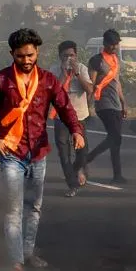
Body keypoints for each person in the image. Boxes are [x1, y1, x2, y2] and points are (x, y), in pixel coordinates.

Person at [0, 28, 84, 271]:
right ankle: (15, 262)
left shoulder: (48, 81)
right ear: (12, 54)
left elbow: (65, 107)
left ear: (37, 52)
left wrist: (76, 131)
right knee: (14, 210)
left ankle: (28, 254)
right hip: (11, 154)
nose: (26, 60)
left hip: (38, 153)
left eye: (30, 55)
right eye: (20, 56)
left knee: (34, 208)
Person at [51, 40, 94, 197]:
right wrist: (64, 74)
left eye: (72, 55)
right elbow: (54, 92)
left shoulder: (81, 68)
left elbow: (90, 90)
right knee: (64, 153)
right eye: (65, 56)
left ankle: (75, 170)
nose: (69, 59)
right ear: (60, 57)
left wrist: (76, 74)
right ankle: (72, 185)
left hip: (79, 116)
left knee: (82, 152)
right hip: (61, 117)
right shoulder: (54, 70)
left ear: (76, 55)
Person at [85, 29, 127, 185]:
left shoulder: (116, 60)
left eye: (116, 44)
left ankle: (117, 175)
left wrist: (123, 103)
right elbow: (91, 84)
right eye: (111, 45)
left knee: (116, 141)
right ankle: (88, 158)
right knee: (115, 137)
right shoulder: (97, 60)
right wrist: (88, 106)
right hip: (103, 103)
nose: (114, 47)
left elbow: (117, 83)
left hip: (116, 103)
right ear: (105, 44)